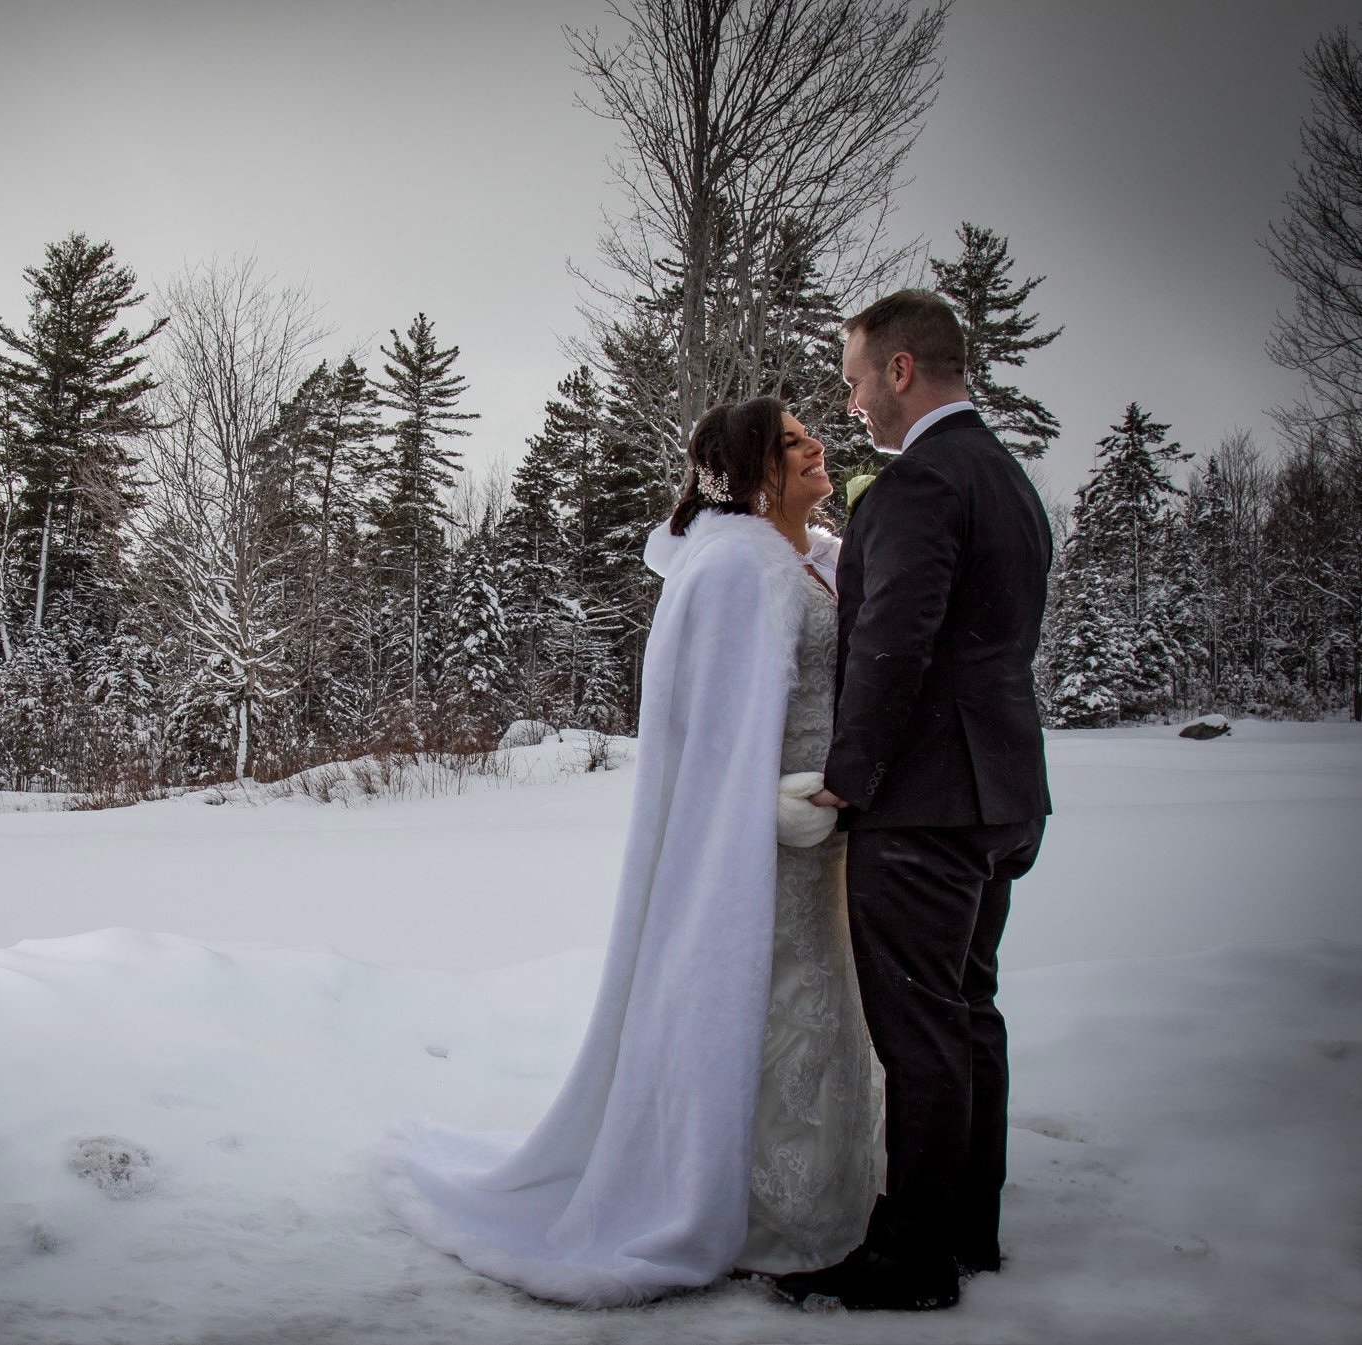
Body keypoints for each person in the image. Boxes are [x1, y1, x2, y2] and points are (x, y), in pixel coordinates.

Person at [381, 397, 880, 1306]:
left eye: (815, 435)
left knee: (821, 1011)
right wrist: (765, 808)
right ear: (755, 468)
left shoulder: (815, 558)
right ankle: (761, 1211)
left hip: (833, 836)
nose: (817, 449)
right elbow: (711, 734)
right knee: (772, 1010)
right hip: (768, 843)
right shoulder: (734, 566)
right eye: (794, 441)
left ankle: (827, 1197)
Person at [776, 290, 1052, 1312]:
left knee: (920, 1026)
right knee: (970, 1010)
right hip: (1005, 795)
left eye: (853, 381)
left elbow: (894, 642)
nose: (851, 406)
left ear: (900, 369)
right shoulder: (1007, 480)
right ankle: (969, 1223)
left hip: (926, 803)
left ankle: (916, 1254)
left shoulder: (917, 486)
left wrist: (849, 774)